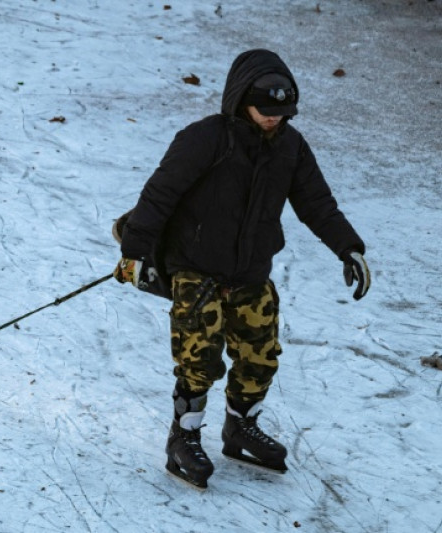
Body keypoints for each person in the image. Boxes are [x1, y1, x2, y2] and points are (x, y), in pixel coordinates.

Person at [112, 49, 370, 489]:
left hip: (250, 271)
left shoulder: (290, 146)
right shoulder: (204, 139)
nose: (274, 119)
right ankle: (184, 435)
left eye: (282, 112)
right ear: (239, 100)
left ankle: (239, 427)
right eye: (265, 110)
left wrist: (349, 248)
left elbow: (317, 204)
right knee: (200, 357)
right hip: (195, 267)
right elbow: (159, 195)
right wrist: (135, 253)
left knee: (260, 356)